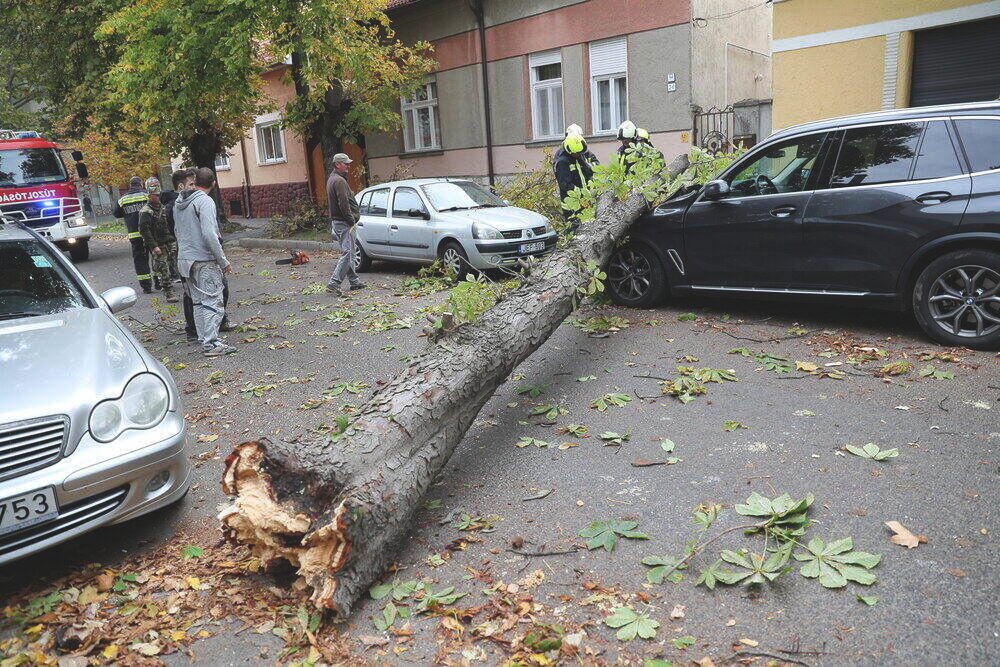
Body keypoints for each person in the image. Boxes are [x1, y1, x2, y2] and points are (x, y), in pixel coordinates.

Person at [174, 167, 236, 357]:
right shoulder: (204, 202)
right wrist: (222, 260)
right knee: (212, 301)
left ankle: (204, 338)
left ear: (195, 182)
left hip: (185, 259)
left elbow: (177, 231)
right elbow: (210, 235)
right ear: (213, 183)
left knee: (198, 303)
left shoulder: (180, 203)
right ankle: (211, 343)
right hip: (203, 259)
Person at [325, 153, 365, 297]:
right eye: (345, 163)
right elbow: (344, 204)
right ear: (337, 164)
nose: (348, 165)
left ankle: (354, 281)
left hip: (339, 221)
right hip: (344, 222)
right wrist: (351, 220)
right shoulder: (339, 181)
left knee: (350, 252)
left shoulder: (332, 179)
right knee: (348, 253)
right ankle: (333, 283)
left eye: (348, 163)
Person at [137, 177, 178, 303]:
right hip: (158, 244)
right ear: (148, 195)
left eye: (157, 195)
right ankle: (168, 292)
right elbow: (144, 231)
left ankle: (172, 283)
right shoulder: (146, 211)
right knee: (163, 268)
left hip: (169, 241)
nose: (156, 197)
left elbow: (171, 224)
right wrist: (154, 246)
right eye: (153, 195)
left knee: (175, 266)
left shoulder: (164, 208)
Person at [113, 176, 152, 293]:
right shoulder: (146, 195)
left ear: (130, 185)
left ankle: (146, 286)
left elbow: (116, 213)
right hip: (149, 233)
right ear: (141, 184)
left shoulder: (122, 200)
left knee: (139, 260)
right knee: (156, 257)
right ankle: (159, 281)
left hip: (134, 236)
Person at [553, 133, 598, 230]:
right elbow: (566, 186)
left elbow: (588, 173)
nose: (579, 154)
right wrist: (582, 196)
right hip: (572, 206)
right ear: (569, 151)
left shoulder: (579, 156)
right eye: (577, 153)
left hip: (585, 201)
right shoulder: (562, 162)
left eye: (580, 153)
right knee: (575, 231)